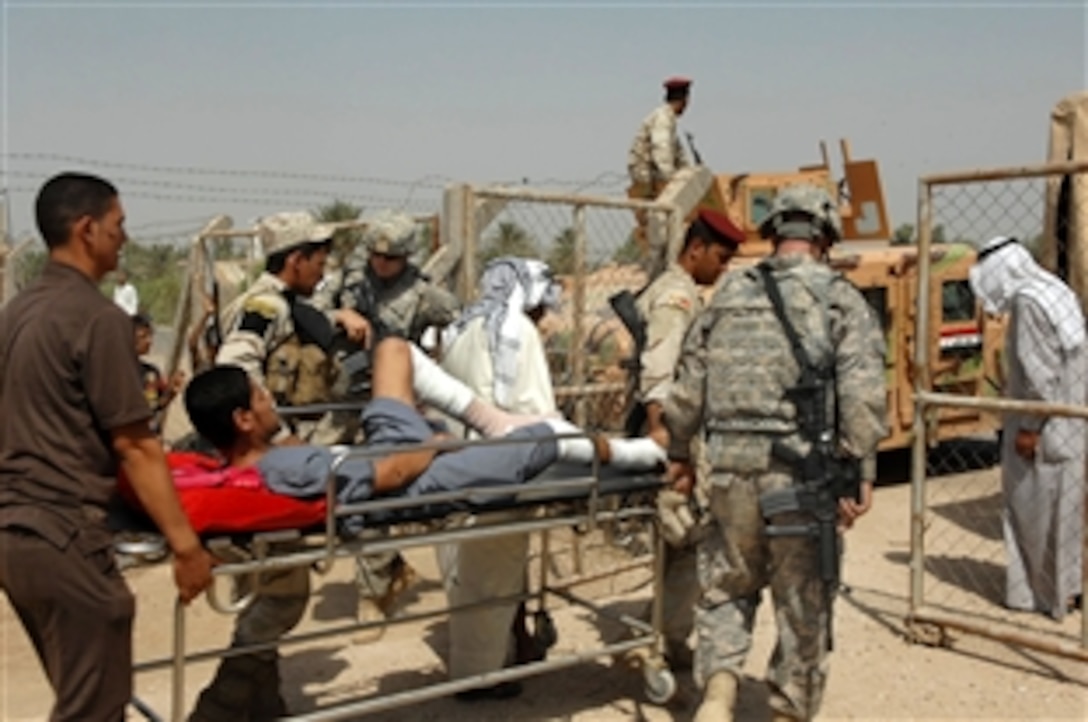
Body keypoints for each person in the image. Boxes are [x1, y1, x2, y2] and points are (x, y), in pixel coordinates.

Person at [663, 183, 887, 722]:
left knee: (725, 588)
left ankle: (717, 697)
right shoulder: (840, 300)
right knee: (803, 604)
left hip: (729, 475)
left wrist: (681, 454)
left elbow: (688, 386)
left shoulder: (730, 296)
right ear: (825, 234)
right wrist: (860, 474)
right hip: (801, 482)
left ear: (774, 232)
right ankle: (787, 711)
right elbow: (862, 400)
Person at [0, 172, 215, 722]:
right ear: (87, 229)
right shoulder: (97, 320)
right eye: (118, 225)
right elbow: (137, 446)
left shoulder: (17, 314)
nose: (125, 237)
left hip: (17, 536)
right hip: (66, 536)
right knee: (93, 708)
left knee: (86, 695)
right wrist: (187, 547)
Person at [619, 208, 745, 672]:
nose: (724, 266)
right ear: (696, 250)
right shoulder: (677, 298)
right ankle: (663, 643)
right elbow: (660, 371)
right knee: (687, 538)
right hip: (675, 437)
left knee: (677, 545)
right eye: (721, 256)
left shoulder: (677, 290)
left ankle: (659, 634)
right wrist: (668, 443)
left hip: (676, 434)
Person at [435, 256, 563, 700]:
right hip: (500, 471)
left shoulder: (464, 329)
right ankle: (479, 678)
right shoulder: (517, 333)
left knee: (469, 577)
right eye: (542, 307)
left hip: (455, 469)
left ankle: (495, 660)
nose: (546, 317)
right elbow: (535, 411)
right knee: (493, 575)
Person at [968, 235, 1086, 620]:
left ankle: (1036, 594)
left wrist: (1030, 426)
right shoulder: (1054, 290)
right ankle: (1066, 588)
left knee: (1031, 509)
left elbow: (1039, 372)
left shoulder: (1028, 302)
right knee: (1064, 512)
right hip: (1071, 420)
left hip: (1045, 423)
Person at [313, 209, 461, 347]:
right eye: (376, 255)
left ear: (405, 256)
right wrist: (340, 316)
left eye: (390, 258)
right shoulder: (349, 279)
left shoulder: (423, 294)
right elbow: (308, 314)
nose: (381, 263)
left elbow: (462, 322)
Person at [134, 312, 185, 434]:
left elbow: (155, 405)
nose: (149, 341)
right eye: (143, 337)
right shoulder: (119, 372)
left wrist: (170, 392)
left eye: (150, 336)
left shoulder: (151, 373)